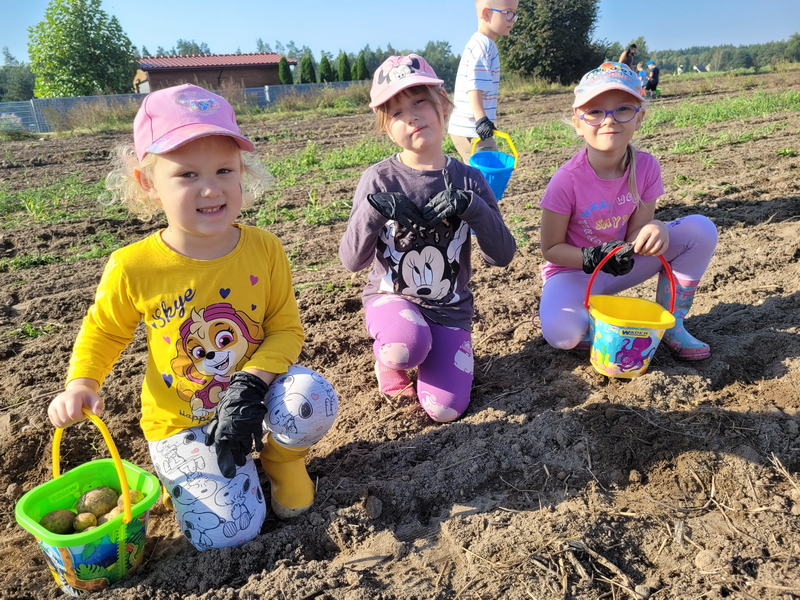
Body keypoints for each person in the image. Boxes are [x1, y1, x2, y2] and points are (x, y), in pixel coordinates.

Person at [47, 83, 339, 551]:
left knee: (314, 396)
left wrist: (251, 385)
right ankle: (185, 474)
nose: (211, 188)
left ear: (242, 172)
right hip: (182, 421)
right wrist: (82, 383)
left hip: (252, 400)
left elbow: (285, 329)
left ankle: (280, 460)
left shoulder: (264, 248)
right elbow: (103, 331)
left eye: (224, 170)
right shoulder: (134, 266)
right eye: (186, 174)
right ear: (147, 182)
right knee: (230, 533)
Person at [340, 54, 516, 422]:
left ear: (444, 105)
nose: (412, 116)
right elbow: (351, 261)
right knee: (405, 346)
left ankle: (431, 350)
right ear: (387, 128)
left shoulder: (469, 180)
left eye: (419, 101)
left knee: (445, 409)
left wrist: (472, 207)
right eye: (396, 112)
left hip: (449, 310)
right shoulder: (379, 180)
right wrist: (374, 210)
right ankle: (390, 361)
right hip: (392, 301)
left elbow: (502, 255)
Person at [537, 62, 717, 360]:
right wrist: (592, 257)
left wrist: (655, 228)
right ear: (579, 123)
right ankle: (587, 320)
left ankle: (671, 324)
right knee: (562, 335)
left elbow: (636, 232)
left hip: (622, 263)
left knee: (700, 230)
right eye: (595, 112)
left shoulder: (646, 167)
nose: (609, 120)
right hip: (575, 272)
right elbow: (551, 249)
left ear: (639, 117)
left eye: (622, 109)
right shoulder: (566, 180)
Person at [448, 0, 520, 164]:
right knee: (489, 173)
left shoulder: (479, 43)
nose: (513, 19)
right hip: (472, 129)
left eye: (515, 13)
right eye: (508, 13)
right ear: (486, 14)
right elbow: (474, 87)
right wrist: (481, 121)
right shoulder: (484, 46)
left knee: (475, 173)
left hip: (465, 127)